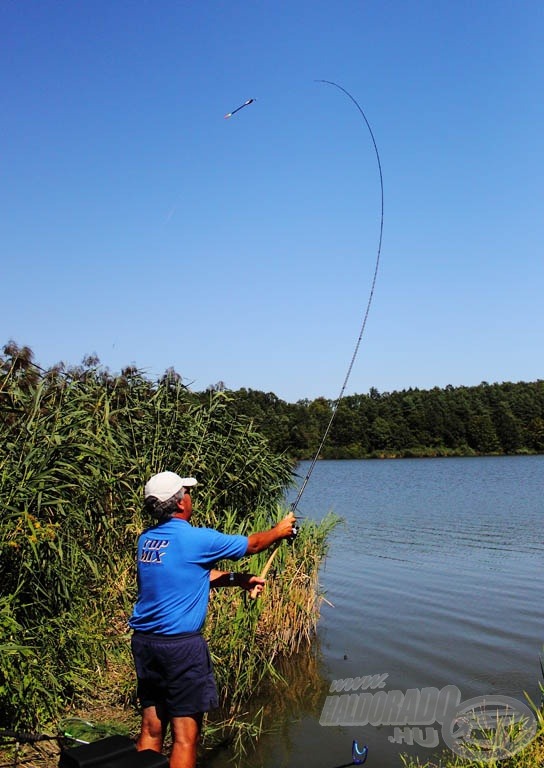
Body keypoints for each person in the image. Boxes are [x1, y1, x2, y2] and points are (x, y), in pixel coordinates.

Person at [129, 470, 296, 768]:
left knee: (152, 729)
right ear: (181, 504)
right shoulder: (196, 538)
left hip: (145, 644)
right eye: (188, 492)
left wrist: (237, 579)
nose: (191, 497)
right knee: (184, 737)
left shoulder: (147, 542)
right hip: (180, 648)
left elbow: (191, 574)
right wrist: (279, 530)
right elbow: (254, 544)